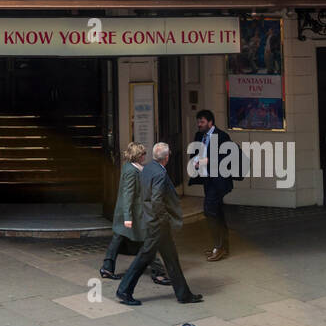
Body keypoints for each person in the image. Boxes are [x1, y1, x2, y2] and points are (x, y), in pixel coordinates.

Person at [116, 143, 203, 306]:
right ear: (167, 157)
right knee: (145, 256)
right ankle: (124, 290)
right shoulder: (160, 174)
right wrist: (164, 218)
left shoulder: (148, 168)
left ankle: (184, 295)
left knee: (171, 258)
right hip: (158, 223)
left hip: (151, 220)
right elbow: (156, 200)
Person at [100, 142, 168, 286]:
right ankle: (158, 273)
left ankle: (107, 268)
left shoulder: (132, 167)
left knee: (118, 239)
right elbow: (128, 194)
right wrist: (128, 217)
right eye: (143, 153)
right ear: (138, 155)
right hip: (134, 213)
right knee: (147, 240)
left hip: (131, 212)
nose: (145, 155)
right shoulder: (131, 171)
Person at [190, 109, 237, 261]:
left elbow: (227, 156)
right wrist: (196, 161)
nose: (199, 125)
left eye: (202, 122)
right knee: (217, 211)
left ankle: (219, 247)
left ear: (210, 122)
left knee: (209, 210)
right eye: (198, 122)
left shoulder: (222, 136)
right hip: (207, 179)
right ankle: (223, 246)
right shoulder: (199, 136)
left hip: (219, 180)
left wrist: (208, 160)